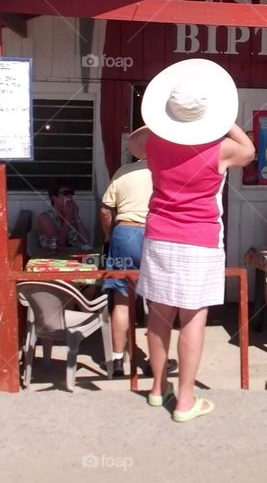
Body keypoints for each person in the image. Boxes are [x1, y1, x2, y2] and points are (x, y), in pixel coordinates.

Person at [128, 58, 254, 422]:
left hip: (158, 235)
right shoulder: (220, 150)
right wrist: (222, 119)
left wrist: (161, 117)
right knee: (193, 319)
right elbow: (248, 151)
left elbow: (133, 142)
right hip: (199, 239)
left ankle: (156, 388)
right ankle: (185, 400)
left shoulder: (154, 142)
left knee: (159, 315)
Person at [98, 158, 177, 378]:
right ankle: (156, 361)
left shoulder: (124, 171)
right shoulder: (166, 168)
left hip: (125, 234)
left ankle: (116, 361)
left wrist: (108, 237)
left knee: (122, 301)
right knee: (157, 302)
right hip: (157, 233)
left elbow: (105, 211)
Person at [36, 182, 90, 251]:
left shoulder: (71, 216)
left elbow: (86, 241)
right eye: (65, 193)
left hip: (72, 254)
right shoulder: (44, 218)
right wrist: (68, 218)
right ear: (54, 198)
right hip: (52, 257)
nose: (70, 195)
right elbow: (59, 244)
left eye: (71, 193)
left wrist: (77, 216)